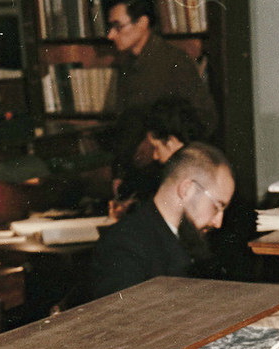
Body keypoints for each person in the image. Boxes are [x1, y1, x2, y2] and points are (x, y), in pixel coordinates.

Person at [89, 142, 233, 298]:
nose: (218, 222)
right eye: (217, 206)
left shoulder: (184, 236)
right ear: (187, 190)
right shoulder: (124, 246)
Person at [104, 0, 216, 134]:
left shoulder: (174, 61)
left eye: (118, 26)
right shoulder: (127, 63)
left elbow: (205, 119)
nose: (110, 35)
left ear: (142, 23)